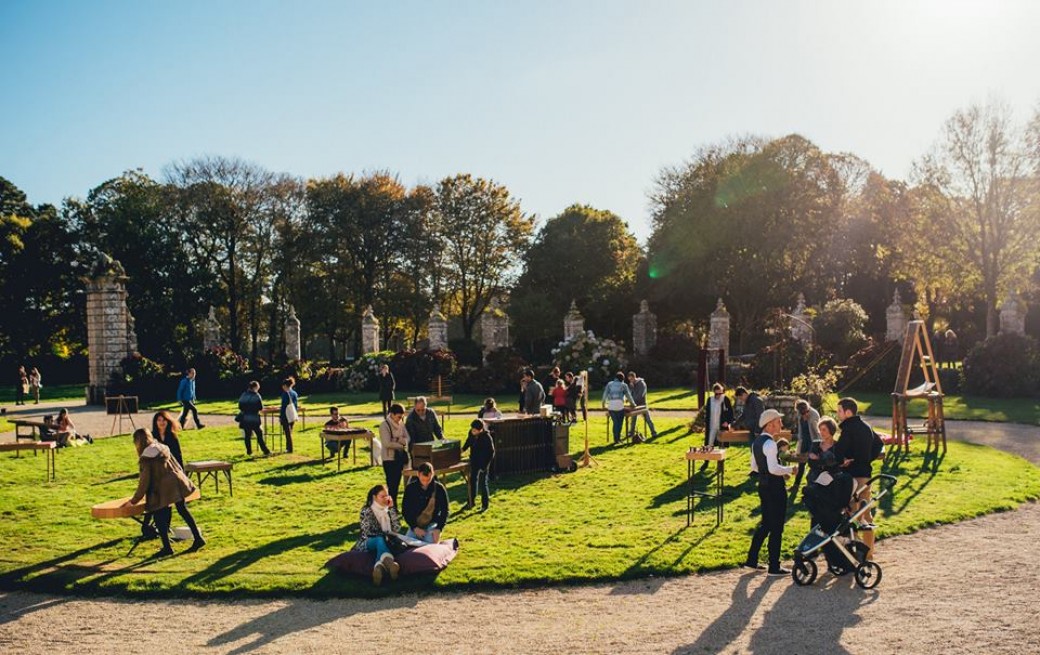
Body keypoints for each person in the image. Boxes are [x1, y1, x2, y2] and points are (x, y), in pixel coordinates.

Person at [123, 428, 205, 557]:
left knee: (159, 516)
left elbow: (144, 482)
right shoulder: (162, 448)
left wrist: (133, 501)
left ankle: (167, 548)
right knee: (183, 510)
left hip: (162, 488)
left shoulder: (147, 458)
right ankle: (198, 538)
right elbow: (176, 464)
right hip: (177, 481)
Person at [744, 408, 795, 575]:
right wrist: (789, 470)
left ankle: (751, 560)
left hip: (763, 486)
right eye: (778, 421)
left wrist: (768, 472)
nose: (781, 423)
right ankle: (774, 566)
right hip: (775, 488)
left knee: (766, 524)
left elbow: (754, 467)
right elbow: (773, 469)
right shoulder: (771, 443)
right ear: (770, 424)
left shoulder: (757, 442)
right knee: (777, 527)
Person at [833, 397, 879, 558]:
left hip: (852, 476)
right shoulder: (866, 426)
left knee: (852, 515)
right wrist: (866, 458)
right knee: (866, 515)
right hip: (866, 475)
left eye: (839, 411)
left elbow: (838, 452)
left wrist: (843, 462)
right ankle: (869, 553)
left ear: (848, 412)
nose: (838, 414)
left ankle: (855, 553)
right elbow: (879, 445)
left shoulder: (848, 429)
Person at [353, 484, 402, 585]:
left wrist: (392, 508)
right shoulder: (367, 510)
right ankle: (390, 564)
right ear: (375, 497)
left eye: (387, 496)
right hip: (368, 541)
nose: (385, 499)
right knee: (380, 539)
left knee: (382, 541)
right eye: (382, 496)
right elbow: (367, 532)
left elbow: (397, 528)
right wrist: (386, 535)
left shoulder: (388, 509)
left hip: (385, 540)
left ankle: (379, 568)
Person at [402, 462, 449, 544]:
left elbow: (445, 510)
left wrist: (439, 528)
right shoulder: (410, 488)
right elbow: (405, 511)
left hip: (432, 523)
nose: (426, 483)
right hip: (416, 524)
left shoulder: (439, 488)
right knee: (407, 545)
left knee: (429, 544)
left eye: (428, 479)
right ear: (418, 474)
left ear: (432, 474)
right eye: (423, 480)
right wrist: (414, 527)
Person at [379, 403, 410, 505]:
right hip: (389, 459)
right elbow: (387, 443)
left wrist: (397, 439)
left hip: (399, 458)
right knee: (391, 485)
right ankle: (391, 507)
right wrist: (401, 444)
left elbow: (407, 438)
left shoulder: (401, 423)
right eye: (398, 417)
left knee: (396, 485)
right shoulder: (384, 425)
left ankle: (393, 506)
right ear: (392, 414)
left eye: (402, 417)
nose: (400, 419)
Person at [461, 419, 495, 511]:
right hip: (474, 460)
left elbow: (491, 452)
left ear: (481, 430)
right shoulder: (471, 434)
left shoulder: (486, 437)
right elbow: (468, 442)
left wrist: (485, 466)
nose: (473, 432)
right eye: (472, 430)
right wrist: (462, 450)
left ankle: (485, 504)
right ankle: (471, 502)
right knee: (472, 481)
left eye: (475, 430)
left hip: (483, 462)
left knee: (483, 483)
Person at [701, 383, 734, 472]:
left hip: (722, 427)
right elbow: (707, 414)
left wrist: (727, 422)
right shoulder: (710, 400)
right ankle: (706, 462)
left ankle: (720, 466)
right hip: (711, 426)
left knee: (721, 447)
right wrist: (705, 425)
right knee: (708, 444)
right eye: (717, 393)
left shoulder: (725, 399)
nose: (719, 395)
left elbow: (730, 412)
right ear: (714, 392)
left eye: (720, 393)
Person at [791, 399, 822, 492]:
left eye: (805, 413)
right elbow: (800, 430)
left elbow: (818, 432)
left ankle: (812, 487)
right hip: (804, 441)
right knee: (801, 464)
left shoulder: (814, 414)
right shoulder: (800, 413)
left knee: (813, 465)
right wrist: (799, 444)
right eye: (801, 413)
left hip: (814, 442)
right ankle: (796, 486)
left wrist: (810, 420)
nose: (803, 415)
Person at [237, 380, 270, 456]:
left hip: (245, 418)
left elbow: (240, 406)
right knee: (259, 434)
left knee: (247, 436)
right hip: (254, 418)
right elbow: (260, 407)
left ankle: (249, 451)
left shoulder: (243, 395)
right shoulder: (256, 395)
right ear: (255, 387)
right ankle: (265, 450)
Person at [602, 371, 635, 445]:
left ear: (615, 378)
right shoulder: (624, 385)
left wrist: (603, 404)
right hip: (619, 406)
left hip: (611, 406)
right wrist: (633, 404)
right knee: (619, 423)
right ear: (622, 379)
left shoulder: (609, 384)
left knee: (615, 423)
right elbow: (629, 396)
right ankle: (618, 439)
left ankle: (616, 439)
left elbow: (605, 394)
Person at [806, 416, 840, 485]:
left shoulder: (838, 446)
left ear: (831, 430)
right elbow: (810, 463)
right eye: (820, 430)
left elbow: (834, 464)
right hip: (814, 480)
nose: (821, 432)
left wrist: (818, 458)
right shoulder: (815, 444)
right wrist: (824, 460)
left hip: (830, 481)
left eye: (824, 430)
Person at [626, 370, 659, 441]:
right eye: (629, 380)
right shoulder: (631, 384)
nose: (630, 381)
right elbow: (630, 393)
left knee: (648, 419)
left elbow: (641, 394)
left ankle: (654, 433)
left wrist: (633, 400)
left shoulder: (642, 383)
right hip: (634, 405)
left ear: (634, 377)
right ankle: (631, 432)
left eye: (631, 379)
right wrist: (629, 398)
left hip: (642, 404)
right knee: (633, 419)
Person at [279, 377, 299, 454]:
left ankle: (289, 448)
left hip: (286, 415)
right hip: (292, 414)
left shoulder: (285, 394)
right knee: (289, 431)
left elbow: (284, 406)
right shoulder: (294, 393)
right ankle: (288, 447)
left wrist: (281, 416)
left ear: (285, 385)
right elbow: (295, 405)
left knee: (287, 432)